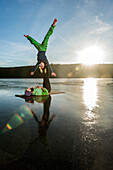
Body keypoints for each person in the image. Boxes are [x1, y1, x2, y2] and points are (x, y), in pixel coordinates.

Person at [24, 18, 57, 92]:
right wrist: (52, 71)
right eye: (42, 66)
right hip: (44, 48)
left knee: (34, 42)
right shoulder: (45, 60)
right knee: (46, 37)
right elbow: (49, 65)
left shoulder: (39, 61)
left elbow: (36, 66)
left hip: (39, 48)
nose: (41, 65)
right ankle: (53, 25)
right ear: (43, 65)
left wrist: (33, 71)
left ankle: (53, 25)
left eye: (41, 66)